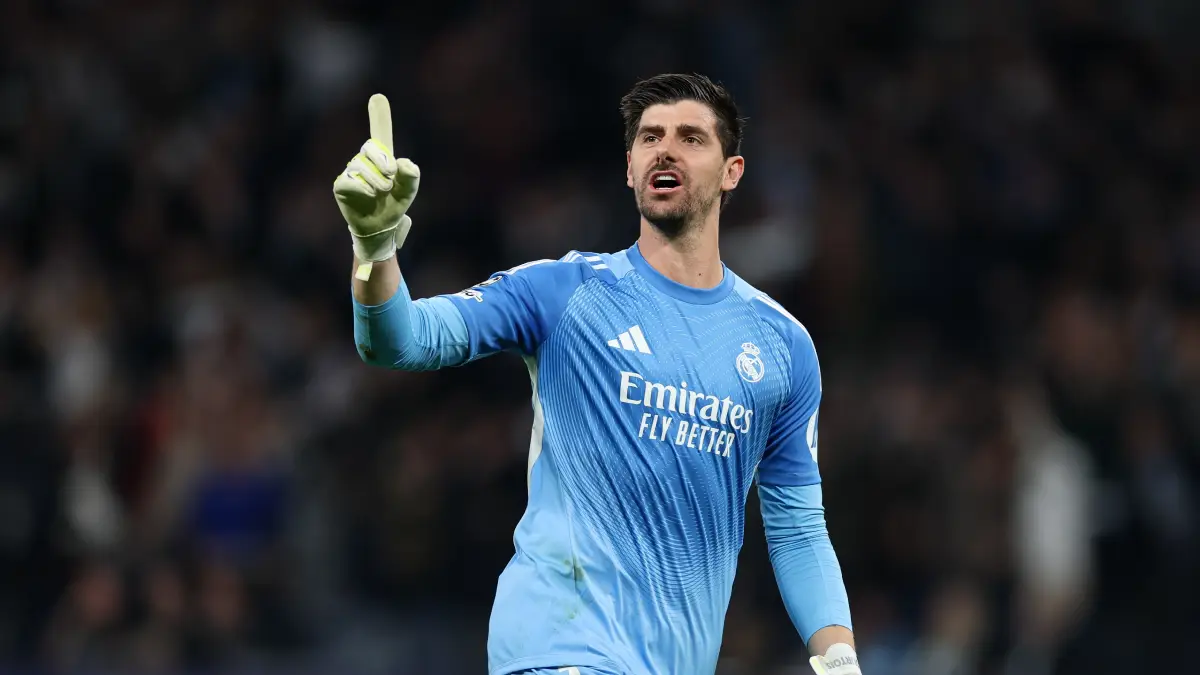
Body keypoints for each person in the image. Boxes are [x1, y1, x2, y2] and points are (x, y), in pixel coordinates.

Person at [333, 73, 860, 675]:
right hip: (559, 651)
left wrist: (839, 659)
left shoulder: (782, 345)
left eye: (690, 138)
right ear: (630, 168)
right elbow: (401, 341)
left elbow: (797, 530)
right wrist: (374, 248)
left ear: (731, 172)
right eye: (649, 138)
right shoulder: (563, 293)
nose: (665, 150)